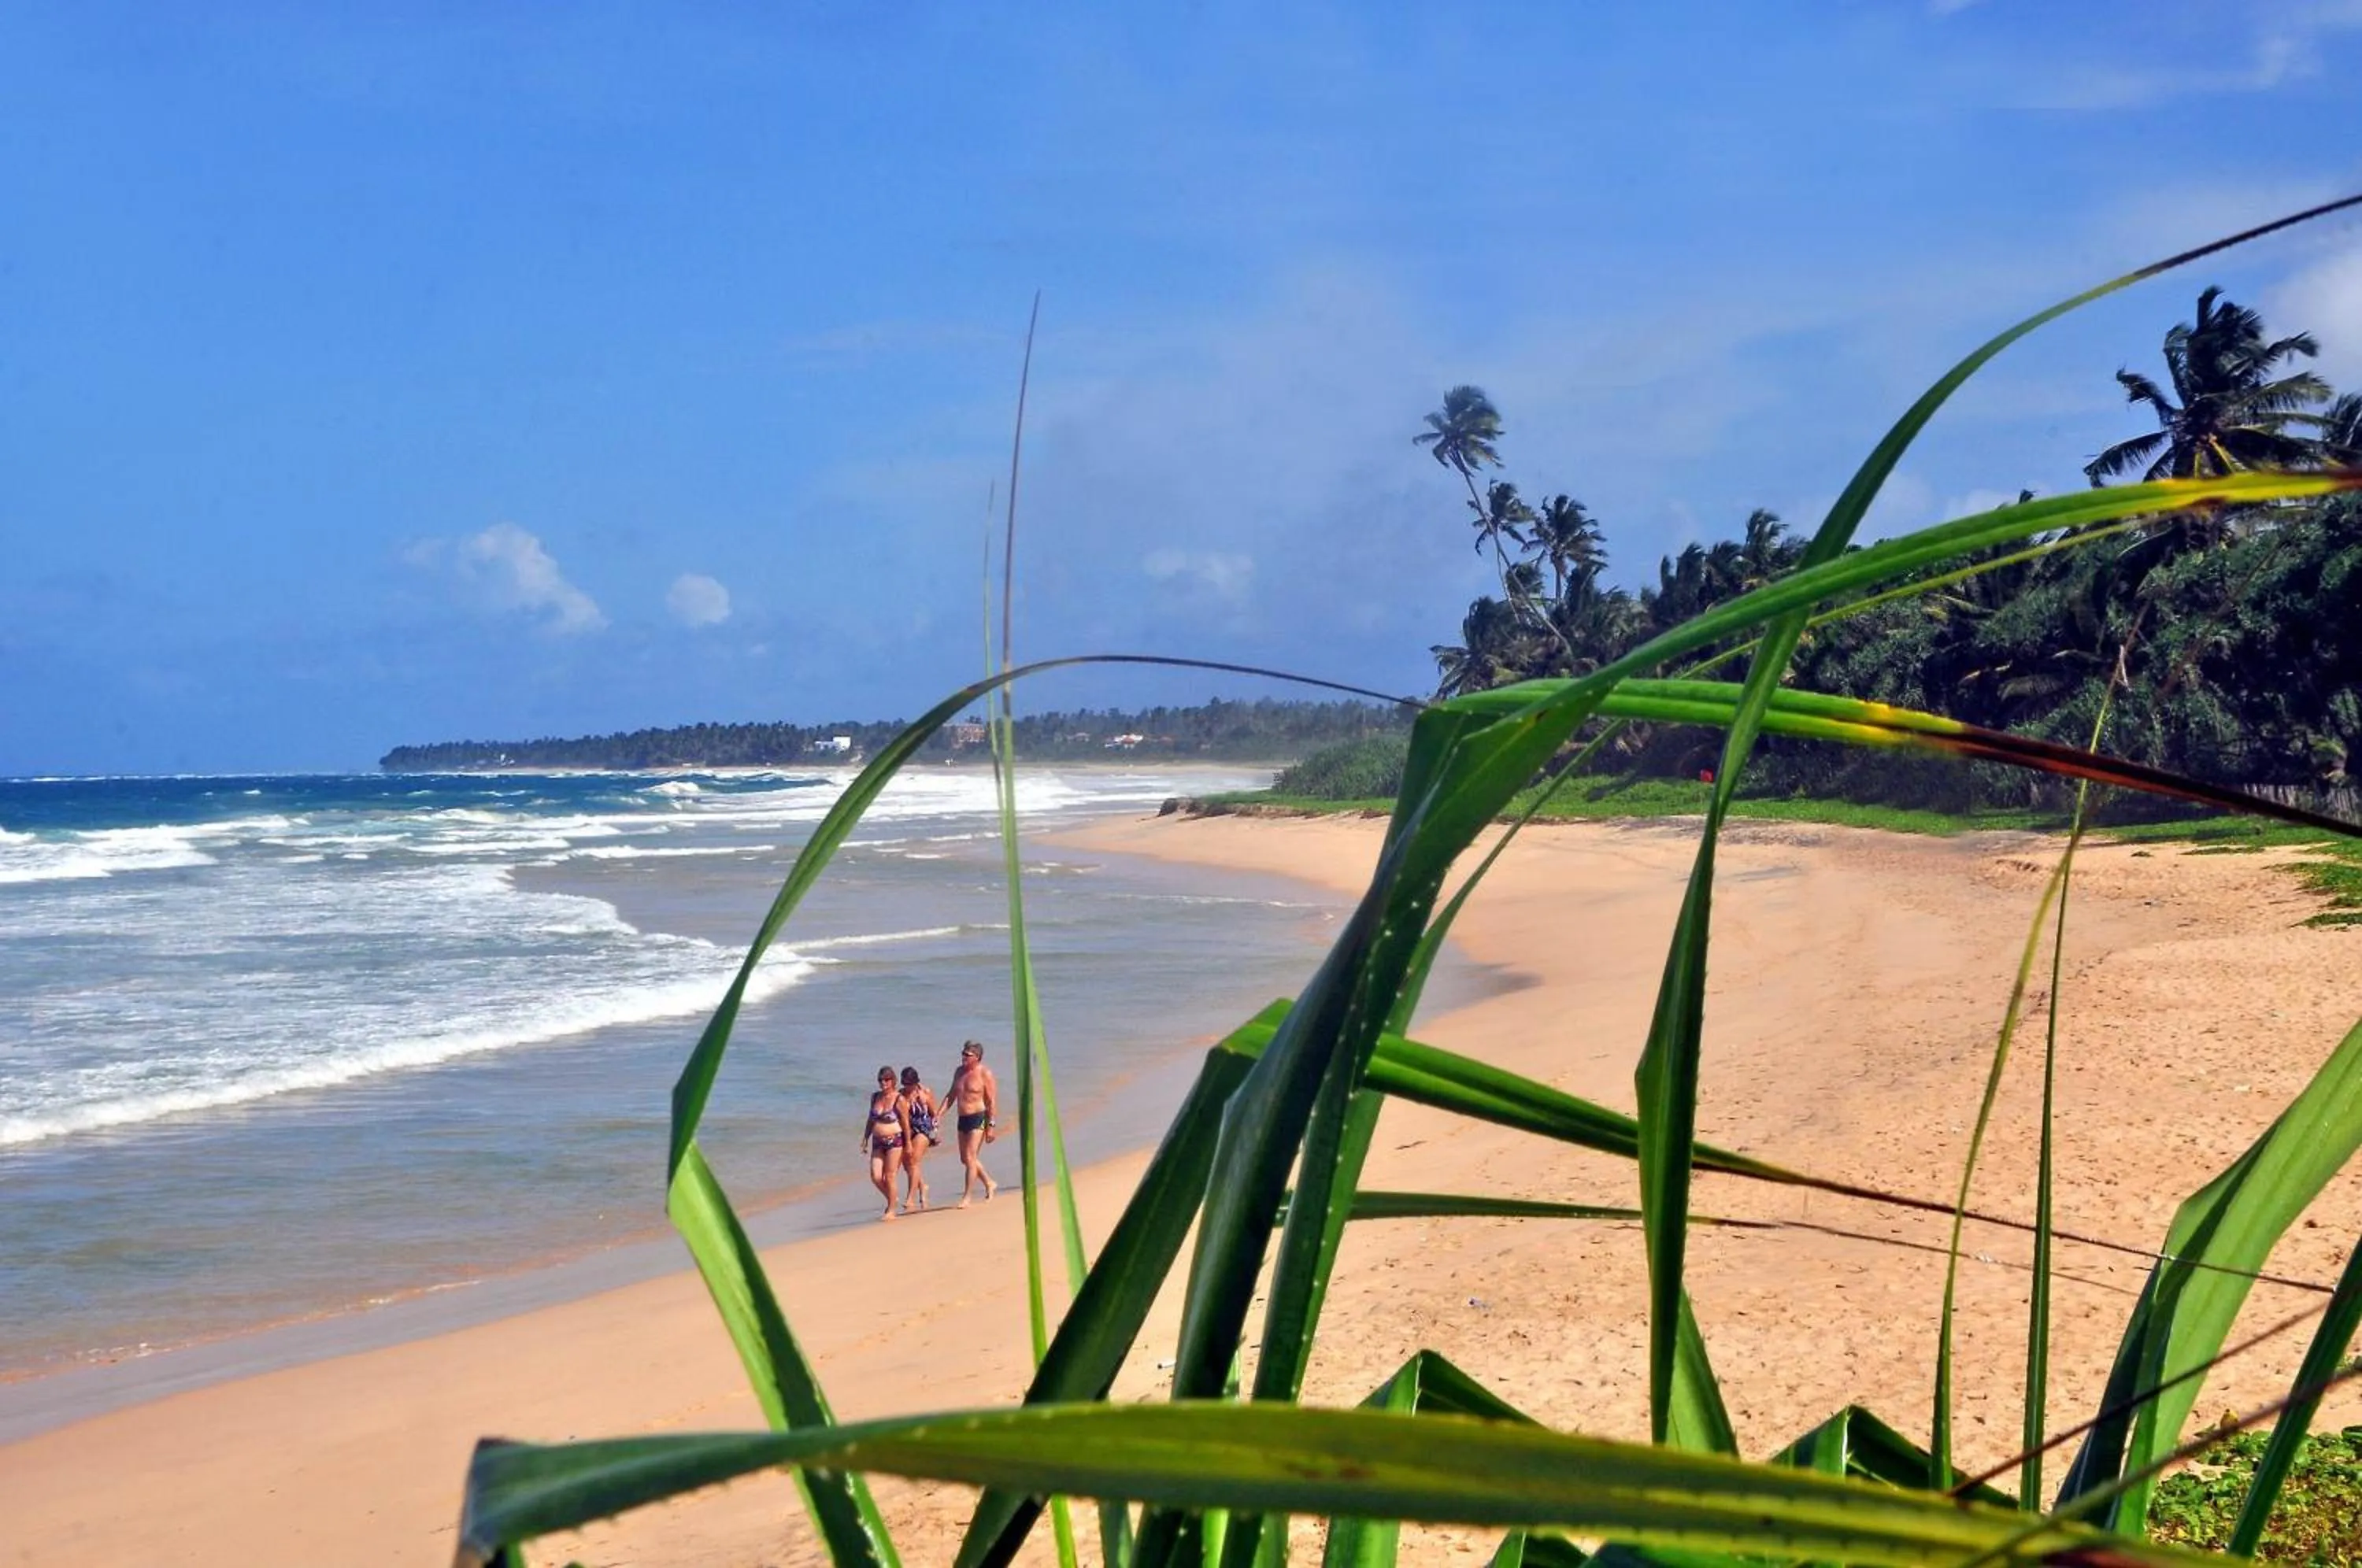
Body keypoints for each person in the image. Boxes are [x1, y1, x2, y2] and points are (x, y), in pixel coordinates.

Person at [943, 1038, 998, 1208]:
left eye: (968, 1055)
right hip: (963, 1118)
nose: (964, 1057)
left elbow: (991, 1102)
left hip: (979, 1117)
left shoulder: (985, 1074)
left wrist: (991, 1126)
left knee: (970, 1156)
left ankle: (967, 1196)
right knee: (965, 1159)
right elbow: (951, 1095)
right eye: (963, 1053)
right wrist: (938, 1114)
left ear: (978, 1057)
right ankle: (989, 1182)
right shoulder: (959, 1072)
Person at [858, 1065, 909, 1222]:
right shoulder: (875, 1097)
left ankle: (892, 1209)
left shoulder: (899, 1099)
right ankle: (892, 1198)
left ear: (893, 1081)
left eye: (886, 1080)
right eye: (880, 1080)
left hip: (895, 1141)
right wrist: (865, 1138)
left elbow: (905, 1123)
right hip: (877, 1141)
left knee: (890, 1176)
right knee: (876, 1176)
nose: (883, 1083)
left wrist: (909, 1145)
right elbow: (871, 1119)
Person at [898, 1064, 939, 1213]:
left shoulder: (925, 1093)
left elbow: (934, 1114)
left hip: (923, 1129)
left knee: (914, 1160)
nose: (907, 1086)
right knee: (906, 1163)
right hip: (907, 1131)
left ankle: (910, 1199)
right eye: (904, 1083)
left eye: (910, 1084)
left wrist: (936, 1133)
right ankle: (922, 1186)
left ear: (916, 1082)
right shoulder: (900, 1095)